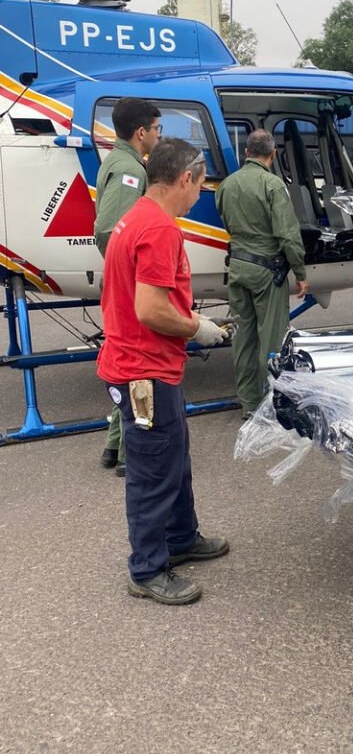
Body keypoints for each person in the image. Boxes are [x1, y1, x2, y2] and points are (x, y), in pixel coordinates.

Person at [97, 138, 230, 605]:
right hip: (143, 371)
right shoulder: (159, 229)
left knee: (173, 457)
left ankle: (180, 537)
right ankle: (148, 569)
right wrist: (198, 327)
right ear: (185, 178)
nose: (201, 192)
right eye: (201, 183)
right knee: (154, 471)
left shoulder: (136, 216)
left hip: (143, 365)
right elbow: (151, 309)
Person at [215, 129, 309, 416]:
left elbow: (228, 223)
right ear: (273, 154)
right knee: (271, 338)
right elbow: (287, 235)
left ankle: (249, 403)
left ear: (246, 152)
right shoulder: (273, 186)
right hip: (267, 271)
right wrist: (300, 272)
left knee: (243, 337)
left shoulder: (226, 185)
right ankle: (270, 404)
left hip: (238, 267)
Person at [94, 97, 162, 476]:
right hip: (130, 285)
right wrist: (136, 273)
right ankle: (129, 454)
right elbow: (111, 229)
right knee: (139, 364)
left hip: (124, 282)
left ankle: (114, 444)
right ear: (141, 132)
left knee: (126, 362)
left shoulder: (121, 161)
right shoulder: (128, 170)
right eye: (156, 129)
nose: (158, 135)